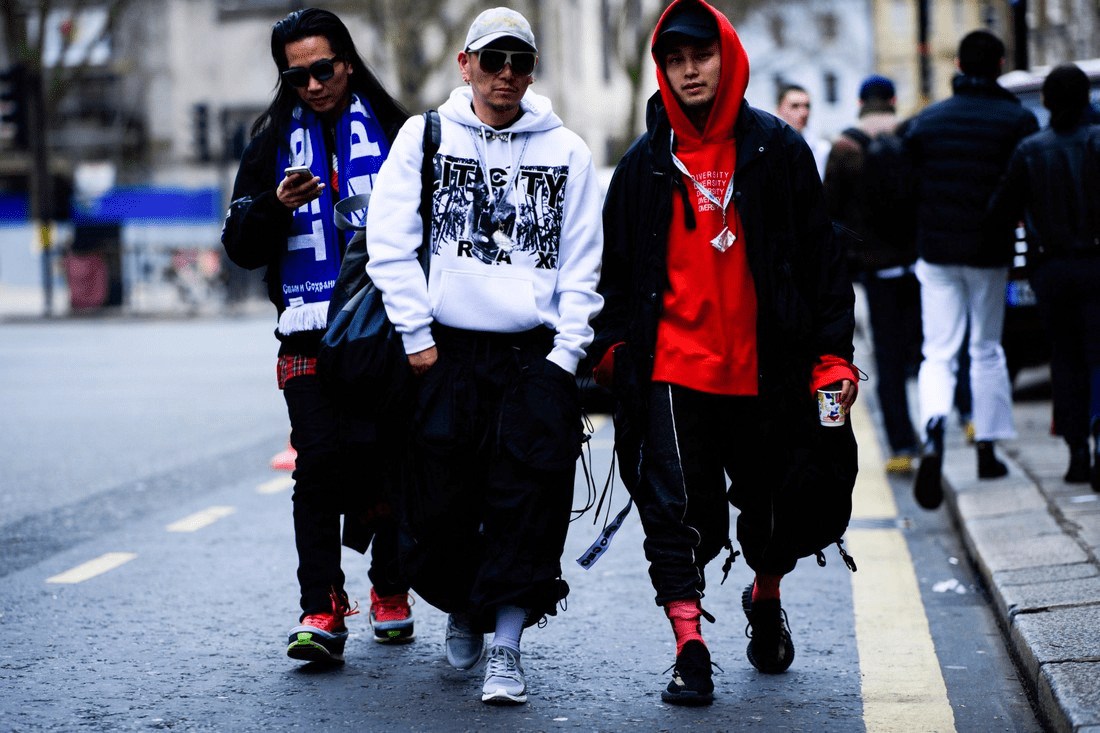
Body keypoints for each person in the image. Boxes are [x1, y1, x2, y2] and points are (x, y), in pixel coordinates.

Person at [589, 0, 858, 706]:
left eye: (700, 56)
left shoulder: (778, 150)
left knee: (775, 507)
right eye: (675, 60)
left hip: (767, 366)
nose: (689, 72)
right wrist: (614, 352)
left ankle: (765, 594)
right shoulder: (642, 166)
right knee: (675, 511)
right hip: (673, 370)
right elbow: (614, 276)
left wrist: (833, 358)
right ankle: (690, 646)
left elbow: (823, 262)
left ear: (727, 56)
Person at [364, 7, 604, 705]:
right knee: (437, 506)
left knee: (527, 502)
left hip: (534, 356)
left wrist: (566, 357)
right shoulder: (426, 136)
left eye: (519, 62)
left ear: (532, 72)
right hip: (446, 352)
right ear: (465, 64)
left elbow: (583, 265)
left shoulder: (568, 152)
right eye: (493, 59)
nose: (506, 74)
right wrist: (417, 338)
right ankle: (464, 604)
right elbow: (388, 241)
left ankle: (507, 646)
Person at [221, 8, 415, 664]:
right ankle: (321, 605)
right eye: (295, 75)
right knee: (319, 462)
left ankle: (391, 586)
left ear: (348, 63)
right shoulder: (268, 143)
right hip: (305, 332)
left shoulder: (400, 132)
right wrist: (276, 207)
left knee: (390, 457)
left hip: (386, 328)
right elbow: (239, 245)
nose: (311, 85)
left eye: (323, 69)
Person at [904, 30, 1039, 509]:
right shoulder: (1018, 120)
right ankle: (987, 448)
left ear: (958, 66)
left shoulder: (926, 123)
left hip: (936, 250)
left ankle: (933, 430)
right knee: (986, 348)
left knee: (938, 352)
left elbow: (907, 186)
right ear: (1000, 65)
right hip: (989, 251)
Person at [987, 63, 1100, 491]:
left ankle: (1076, 452)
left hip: (1050, 269)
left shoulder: (1030, 150)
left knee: (1066, 359)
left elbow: (1000, 210)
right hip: (1096, 263)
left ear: (1048, 102)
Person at [824, 75, 921, 472]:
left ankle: (901, 446)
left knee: (889, 357)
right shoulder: (913, 137)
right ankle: (946, 425)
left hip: (876, 270)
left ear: (860, 102)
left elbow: (831, 213)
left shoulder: (844, 147)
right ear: (893, 100)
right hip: (919, 265)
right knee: (932, 350)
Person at [777, 83, 831, 179]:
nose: (804, 113)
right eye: (795, 106)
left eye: (807, 106)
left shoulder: (823, 150)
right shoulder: (767, 149)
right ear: (779, 110)